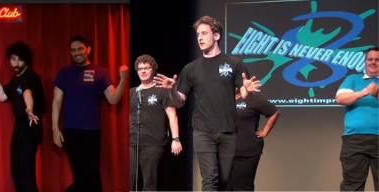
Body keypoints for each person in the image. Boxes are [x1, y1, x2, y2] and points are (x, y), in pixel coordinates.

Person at [153, 15, 263, 190]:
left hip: (228, 132)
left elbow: (246, 97)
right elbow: (180, 102)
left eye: (204, 33)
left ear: (217, 36)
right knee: (210, 179)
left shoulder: (235, 64)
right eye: (198, 34)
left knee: (225, 180)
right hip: (203, 131)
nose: (200, 38)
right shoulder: (191, 69)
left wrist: (247, 91)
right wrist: (171, 90)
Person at [50, 35, 127, 192]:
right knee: (79, 175)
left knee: (91, 175)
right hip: (70, 132)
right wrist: (55, 129)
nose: (76, 52)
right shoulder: (64, 73)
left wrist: (123, 80)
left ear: (88, 50)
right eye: (73, 50)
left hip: (91, 132)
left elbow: (112, 99)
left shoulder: (100, 72)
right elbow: (56, 102)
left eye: (80, 48)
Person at [0, 40, 46, 192]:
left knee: (25, 173)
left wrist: (29, 110)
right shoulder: (14, 79)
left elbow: (27, 93)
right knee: (17, 171)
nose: (15, 63)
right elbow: (3, 96)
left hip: (31, 124)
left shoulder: (30, 76)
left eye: (19, 59)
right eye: (13, 59)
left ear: (26, 60)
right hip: (20, 127)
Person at [128, 55, 180, 191]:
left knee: (149, 183)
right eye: (140, 69)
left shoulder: (162, 91)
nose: (143, 71)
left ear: (153, 70)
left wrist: (176, 139)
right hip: (133, 143)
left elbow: (172, 116)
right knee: (130, 181)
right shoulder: (131, 93)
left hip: (153, 143)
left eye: (146, 68)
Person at [333, 46, 379, 191]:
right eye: (370, 59)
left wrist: (377, 94)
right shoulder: (353, 79)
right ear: (365, 62)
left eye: (377, 60)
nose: (373, 62)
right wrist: (365, 92)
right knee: (352, 185)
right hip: (354, 140)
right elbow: (341, 98)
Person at [229, 86, 280, 191]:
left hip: (247, 150)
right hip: (225, 151)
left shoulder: (252, 99)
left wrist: (265, 132)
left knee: (243, 186)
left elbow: (274, 112)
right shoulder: (222, 100)